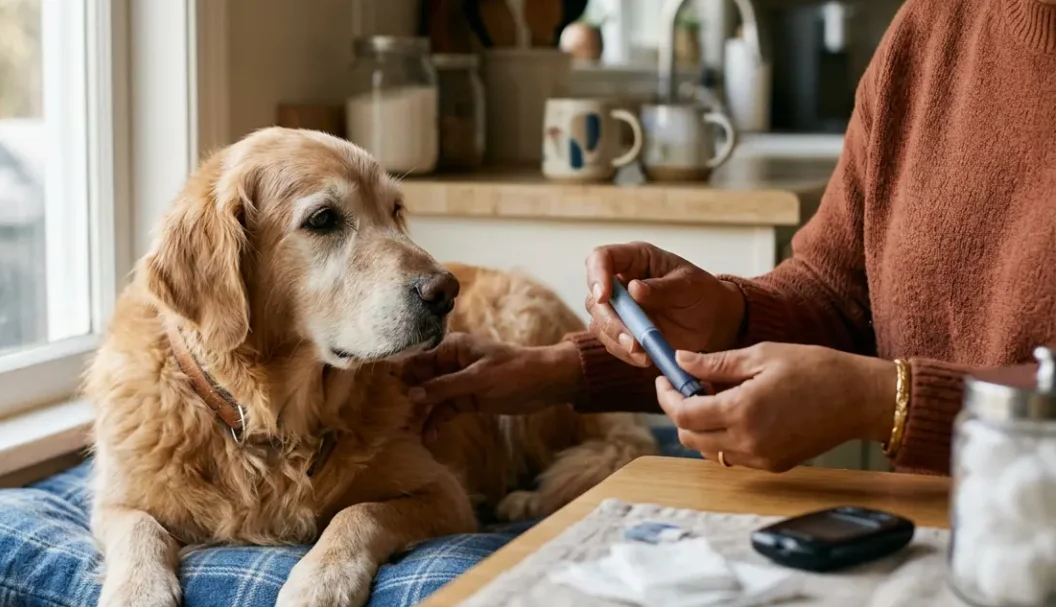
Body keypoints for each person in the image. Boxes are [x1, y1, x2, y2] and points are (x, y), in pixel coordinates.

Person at [400, 0, 1056, 476]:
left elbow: (877, 387)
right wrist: (711, 320)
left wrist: (885, 402)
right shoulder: (933, 26)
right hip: (949, 543)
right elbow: (836, 293)